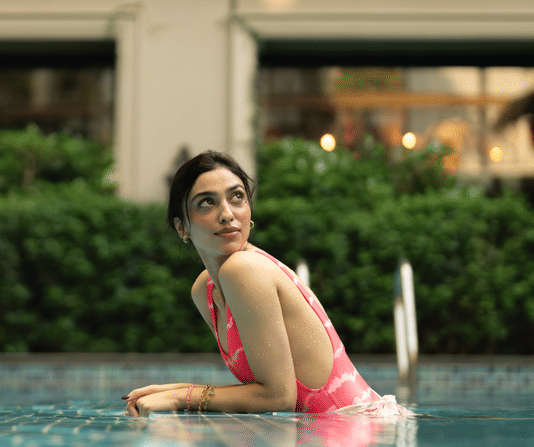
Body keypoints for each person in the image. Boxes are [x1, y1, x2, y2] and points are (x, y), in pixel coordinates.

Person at [124, 150, 408, 417]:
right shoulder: (206, 290)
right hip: (340, 438)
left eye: (237, 197)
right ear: (182, 227)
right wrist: (172, 390)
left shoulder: (244, 269)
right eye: (206, 202)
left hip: (361, 429)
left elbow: (277, 397)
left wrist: (183, 396)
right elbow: (267, 391)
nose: (227, 214)